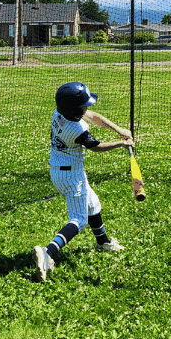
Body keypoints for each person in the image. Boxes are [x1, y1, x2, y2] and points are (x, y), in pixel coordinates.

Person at [33, 81, 135, 282]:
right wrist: (122, 143)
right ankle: (48, 253)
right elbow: (95, 146)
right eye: (84, 106)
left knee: (93, 204)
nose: (87, 108)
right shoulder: (77, 129)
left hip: (59, 170)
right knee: (79, 219)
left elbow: (93, 117)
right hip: (71, 176)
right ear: (75, 110)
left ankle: (103, 242)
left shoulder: (60, 113)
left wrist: (119, 129)